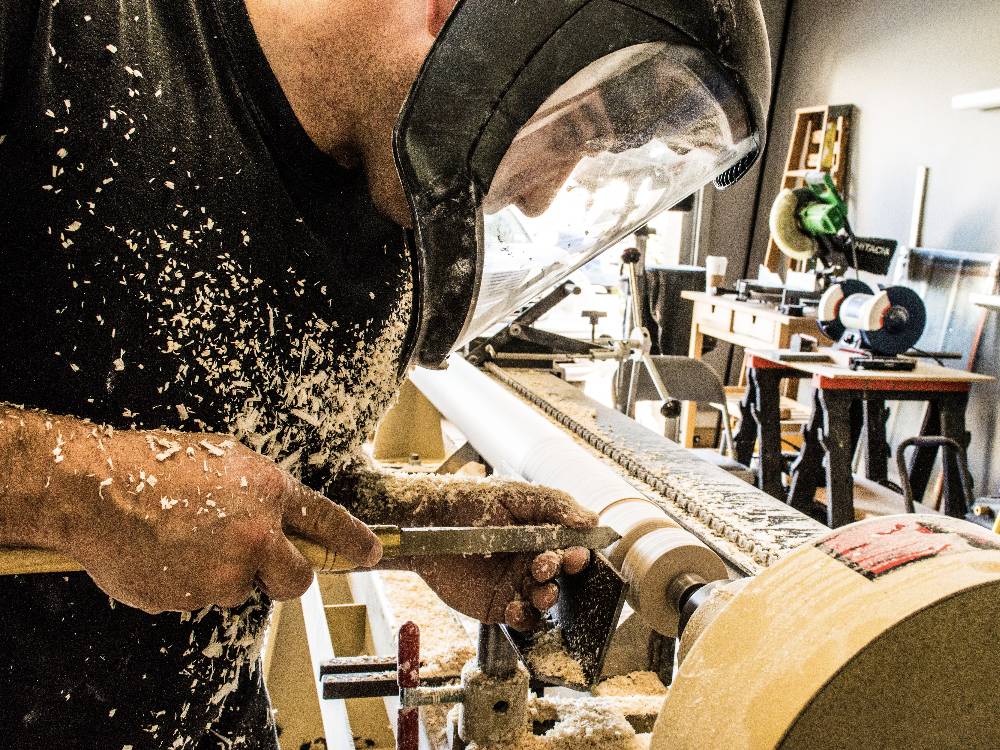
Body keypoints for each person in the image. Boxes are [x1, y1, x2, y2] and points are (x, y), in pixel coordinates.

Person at [0, 0, 598, 746]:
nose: (543, 198)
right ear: (464, 19)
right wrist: (92, 492)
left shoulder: (401, 213)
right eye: (567, 130)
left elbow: (276, 465)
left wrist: (417, 525)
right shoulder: (62, 33)